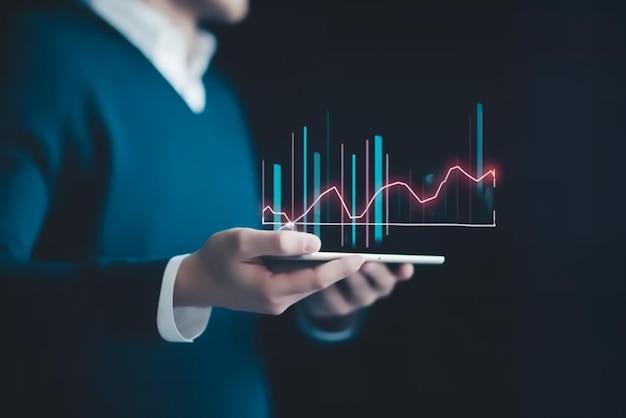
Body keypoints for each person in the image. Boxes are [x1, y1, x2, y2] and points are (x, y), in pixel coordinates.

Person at [0, 0, 415, 416]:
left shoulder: (219, 97)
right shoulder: (32, 52)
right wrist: (183, 284)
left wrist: (319, 309)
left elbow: (231, 324)